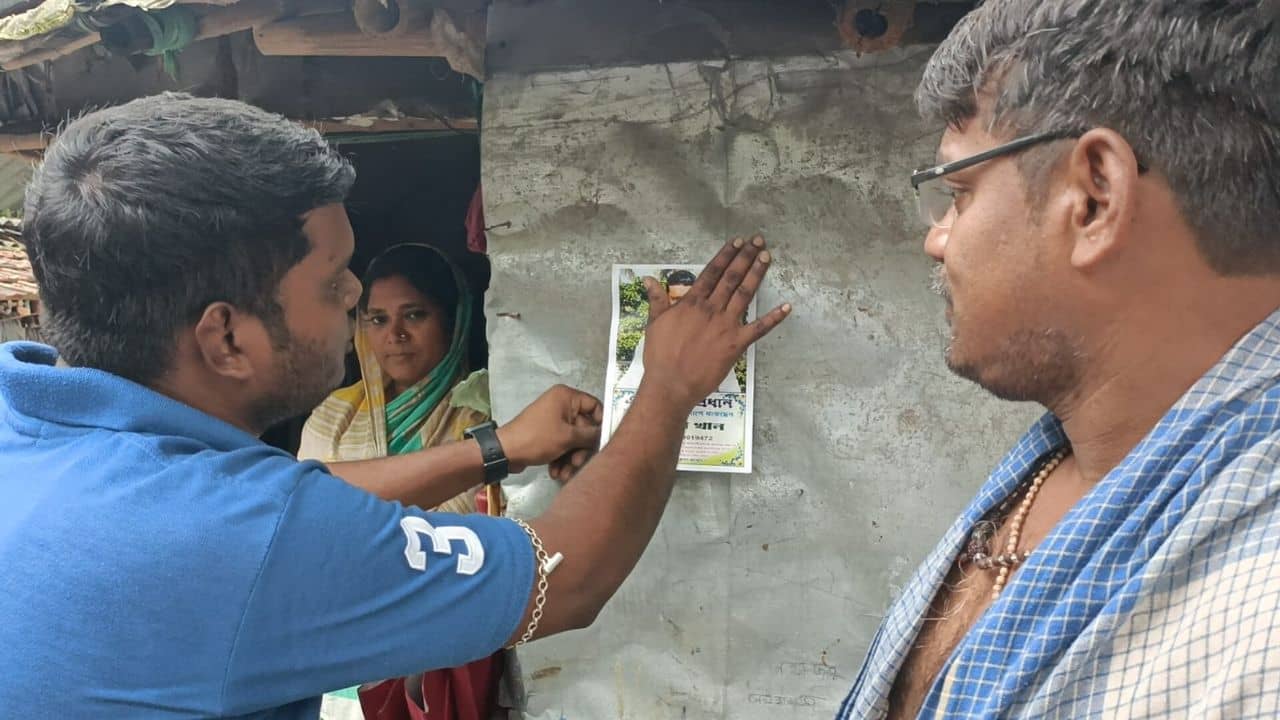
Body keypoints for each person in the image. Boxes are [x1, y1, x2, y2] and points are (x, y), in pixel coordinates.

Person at [0, 93, 790, 719]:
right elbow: (566, 576)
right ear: (227, 340)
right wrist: (669, 388)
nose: (356, 301)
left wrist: (497, 446)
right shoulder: (239, 541)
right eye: (334, 280)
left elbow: (285, 504)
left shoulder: (22, 419)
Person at [837, 2, 1280, 718]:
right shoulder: (1063, 462)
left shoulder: (1257, 623)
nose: (938, 239)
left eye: (958, 193)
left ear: (1095, 197)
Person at [297, 243, 511, 719]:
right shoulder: (333, 418)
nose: (393, 335)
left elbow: (478, 539)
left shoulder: (485, 415)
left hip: (443, 646)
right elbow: (306, 532)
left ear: (454, 321)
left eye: (414, 315)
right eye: (376, 319)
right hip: (335, 645)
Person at [618, 270, 742, 394]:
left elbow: (732, 396)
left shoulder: (714, 343)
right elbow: (626, 390)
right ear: (667, 298)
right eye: (676, 299)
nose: (683, 307)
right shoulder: (650, 341)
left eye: (690, 300)